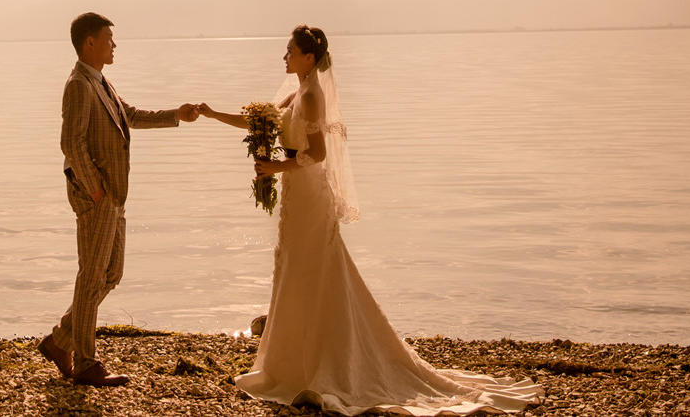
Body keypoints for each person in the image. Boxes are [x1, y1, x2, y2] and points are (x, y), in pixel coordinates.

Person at [198, 25, 544, 415]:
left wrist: (277, 166)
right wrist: (211, 114)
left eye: (290, 50)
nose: (285, 56)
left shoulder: (312, 96)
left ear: (309, 57)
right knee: (296, 270)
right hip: (297, 195)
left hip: (310, 193)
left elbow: (317, 153)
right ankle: (291, 359)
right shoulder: (298, 90)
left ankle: (332, 361)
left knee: (316, 269)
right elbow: (259, 124)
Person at [38, 12, 200, 387]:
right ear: (89, 42)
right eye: (109, 38)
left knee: (112, 273)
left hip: (113, 194)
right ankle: (85, 363)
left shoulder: (100, 81)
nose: (114, 44)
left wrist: (175, 114)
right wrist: (94, 188)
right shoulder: (79, 84)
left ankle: (59, 341)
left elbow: (129, 115)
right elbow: (71, 142)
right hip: (97, 195)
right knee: (91, 275)